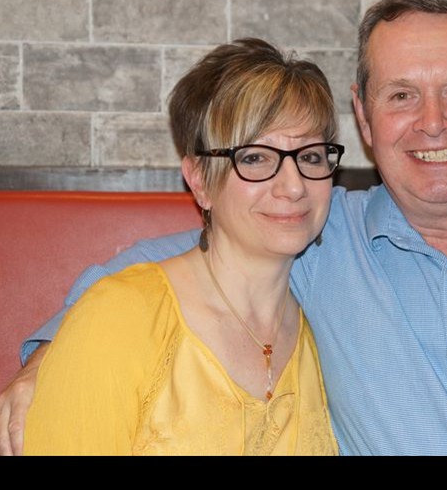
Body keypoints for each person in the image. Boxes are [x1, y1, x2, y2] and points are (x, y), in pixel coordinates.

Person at [0, 0, 447, 456]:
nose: (432, 123)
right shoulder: (315, 240)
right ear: (363, 118)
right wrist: (47, 364)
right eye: (400, 96)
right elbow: (156, 280)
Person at [21, 38, 341, 455]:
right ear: (200, 180)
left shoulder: (324, 336)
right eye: (256, 158)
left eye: (312, 156)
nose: (294, 185)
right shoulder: (119, 317)